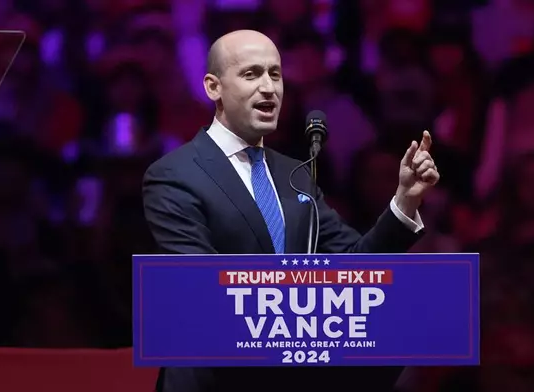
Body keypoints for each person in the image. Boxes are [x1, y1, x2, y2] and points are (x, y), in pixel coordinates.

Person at [142, 29, 440, 392]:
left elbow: (354, 267)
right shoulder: (174, 174)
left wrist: (405, 200)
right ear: (213, 87)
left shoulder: (295, 175)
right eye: (251, 74)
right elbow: (200, 288)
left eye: (275, 74)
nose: (269, 87)